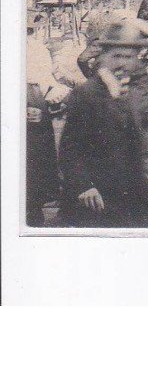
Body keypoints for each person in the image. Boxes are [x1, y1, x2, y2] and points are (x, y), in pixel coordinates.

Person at [58, 18, 148, 227]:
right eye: (116, 56)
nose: (122, 63)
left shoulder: (136, 92)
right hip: (97, 197)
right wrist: (84, 185)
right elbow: (70, 146)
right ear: (103, 57)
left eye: (129, 57)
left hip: (133, 192)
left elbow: (146, 130)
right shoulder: (85, 94)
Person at [26, 12, 71, 226]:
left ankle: (33, 212)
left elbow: (46, 82)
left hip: (33, 107)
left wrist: (50, 100)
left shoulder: (35, 49)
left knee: (34, 164)